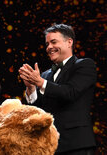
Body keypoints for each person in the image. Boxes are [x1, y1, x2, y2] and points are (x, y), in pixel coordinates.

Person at [19, 23, 96, 154]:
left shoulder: (84, 65)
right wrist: (31, 88)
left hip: (76, 144)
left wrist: (40, 82)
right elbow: (39, 112)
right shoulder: (45, 75)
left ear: (69, 42)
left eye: (53, 42)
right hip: (49, 146)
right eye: (47, 44)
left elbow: (70, 92)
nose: (49, 47)